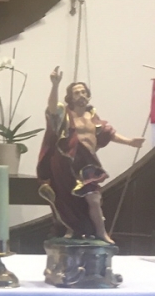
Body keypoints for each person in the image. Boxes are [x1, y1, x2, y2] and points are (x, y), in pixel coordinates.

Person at [38, 69, 145, 242]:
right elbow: (52, 109)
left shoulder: (93, 117)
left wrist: (130, 142)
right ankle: (72, 230)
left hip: (88, 163)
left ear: (88, 95)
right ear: (70, 97)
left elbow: (109, 133)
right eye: (76, 92)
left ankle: (101, 232)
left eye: (83, 92)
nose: (81, 95)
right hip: (67, 163)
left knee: (94, 198)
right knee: (67, 198)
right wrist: (55, 85)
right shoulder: (66, 115)